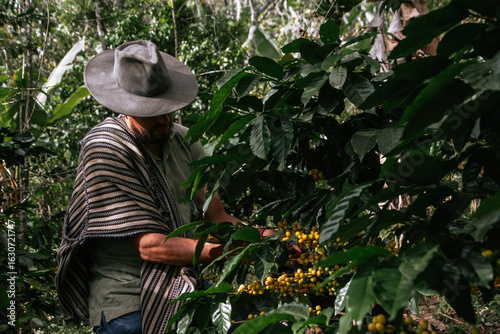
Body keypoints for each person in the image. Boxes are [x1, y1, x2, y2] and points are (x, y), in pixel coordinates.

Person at [55, 40, 263, 334]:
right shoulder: (104, 149)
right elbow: (150, 246)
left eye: (168, 109)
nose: (164, 119)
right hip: (128, 303)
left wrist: (260, 237)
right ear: (125, 108)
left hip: (185, 287)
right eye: (151, 112)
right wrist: (226, 251)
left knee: (260, 323)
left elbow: (217, 217)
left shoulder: (186, 141)